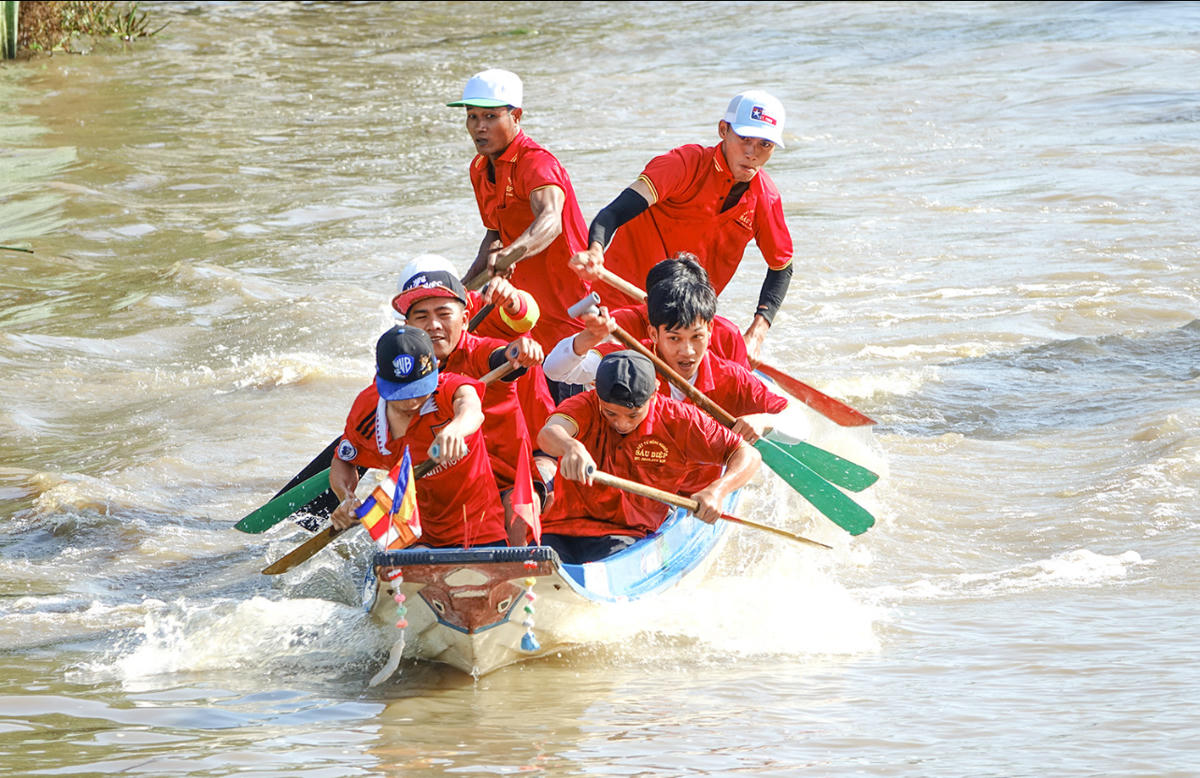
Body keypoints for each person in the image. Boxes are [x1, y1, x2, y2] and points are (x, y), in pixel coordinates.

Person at [570, 90, 793, 366]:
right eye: (745, 139)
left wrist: (756, 334)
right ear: (723, 130)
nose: (752, 153)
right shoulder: (683, 165)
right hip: (616, 307)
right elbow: (613, 213)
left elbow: (782, 267)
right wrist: (595, 250)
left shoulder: (766, 197)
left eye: (764, 144)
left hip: (682, 323)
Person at [537, 351, 761, 564]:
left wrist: (717, 491)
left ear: (654, 393)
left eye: (633, 415)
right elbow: (549, 432)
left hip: (628, 534)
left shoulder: (681, 420)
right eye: (610, 413)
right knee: (533, 565)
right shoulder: (585, 405)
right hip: (561, 528)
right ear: (596, 392)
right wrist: (570, 446)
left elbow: (746, 453)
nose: (621, 423)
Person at [391, 255, 556, 543]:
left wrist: (519, 350)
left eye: (443, 313)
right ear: (406, 324)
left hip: (507, 476)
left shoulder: (481, 343)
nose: (433, 325)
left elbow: (517, 330)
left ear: (465, 317)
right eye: (421, 316)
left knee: (519, 516)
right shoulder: (397, 368)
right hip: (445, 487)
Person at [544, 270, 787, 443]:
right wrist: (589, 337)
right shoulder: (631, 361)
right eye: (674, 338)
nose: (687, 351)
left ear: (710, 330)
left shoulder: (731, 375)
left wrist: (762, 420)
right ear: (653, 334)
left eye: (696, 337)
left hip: (700, 487)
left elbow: (794, 419)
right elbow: (554, 370)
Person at [448, 68, 592, 361]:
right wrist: (459, 293)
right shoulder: (479, 168)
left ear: (516, 116)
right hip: (525, 307)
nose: (479, 127)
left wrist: (510, 254)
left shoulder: (536, 163)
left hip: (571, 303)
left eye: (491, 116)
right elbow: (495, 234)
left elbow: (550, 219)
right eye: (472, 116)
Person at [329, 326, 508, 548]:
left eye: (418, 389)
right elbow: (343, 460)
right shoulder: (365, 410)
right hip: (410, 531)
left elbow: (471, 407)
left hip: (478, 527)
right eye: (400, 393)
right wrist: (347, 497)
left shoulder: (448, 388)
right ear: (378, 377)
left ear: (436, 368)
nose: (411, 402)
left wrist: (455, 429)